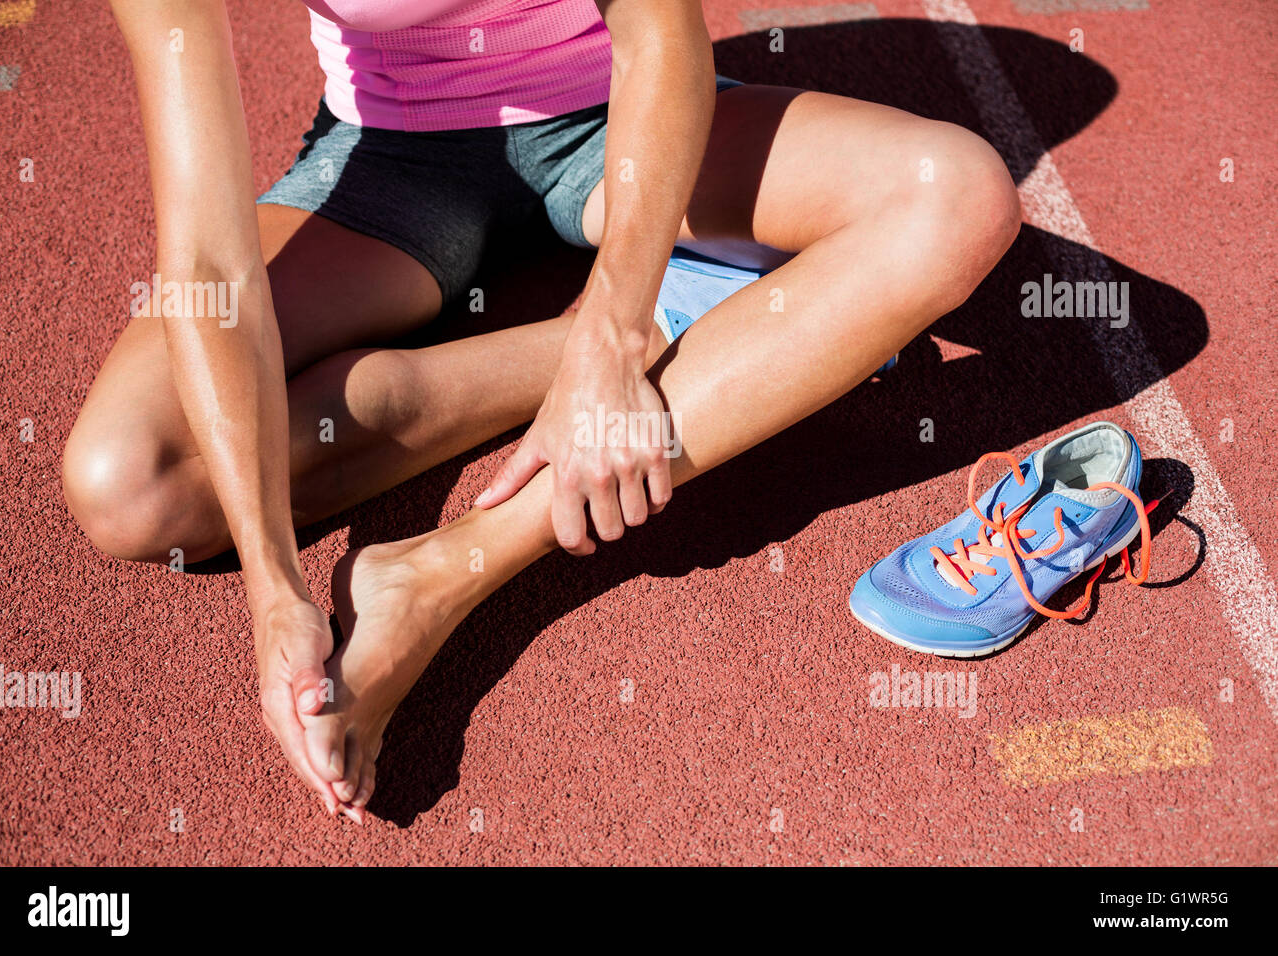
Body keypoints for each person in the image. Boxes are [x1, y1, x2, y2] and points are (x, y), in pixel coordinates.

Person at [63, 0, 1022, 822]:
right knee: (131, 485)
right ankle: (721, 326)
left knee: (953, 198)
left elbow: (658, 40)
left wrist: (616, 332)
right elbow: (207, 267)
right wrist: (272, 587)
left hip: (613, 124)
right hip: (387, 159)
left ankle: (439, 577)